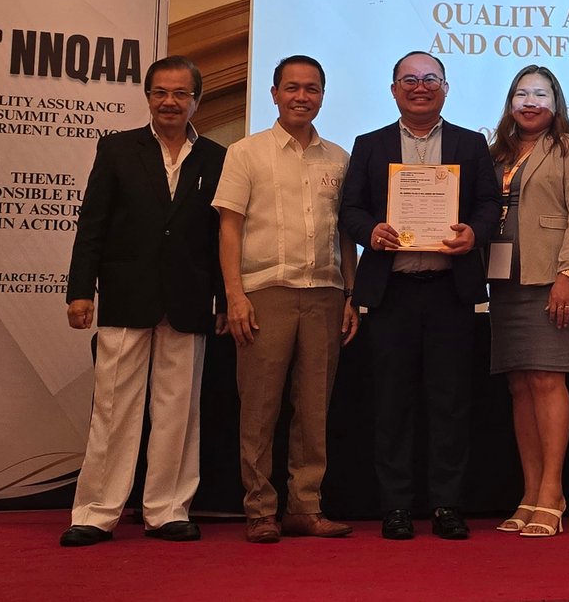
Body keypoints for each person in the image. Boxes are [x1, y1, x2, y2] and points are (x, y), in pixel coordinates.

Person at [60, 56, 226, 547]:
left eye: (180, 94)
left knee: (178, 411)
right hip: (126, 294)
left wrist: (222, 299)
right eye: (160, 92)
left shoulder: (217, 157)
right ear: (148, 96)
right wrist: (79, 291)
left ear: (197, 100)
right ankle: (95, 513)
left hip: (189, 300)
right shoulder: (116, 149)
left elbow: (220, 237)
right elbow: (91, 225)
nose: (169, 102)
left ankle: (168, 509)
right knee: (113, 408)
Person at [338, 50, 498, 541]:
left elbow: (490, 203)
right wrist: (371, 231)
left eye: (430, 78)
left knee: (450, 403)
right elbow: (350, 209)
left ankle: (447, 505)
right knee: (392, 404)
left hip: (451, 293)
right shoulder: (370, 145)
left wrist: (475, 232)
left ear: (445, 88)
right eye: (409, 79)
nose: (420, 87)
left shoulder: (471, 143)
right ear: (394, 90)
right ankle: (396, 507)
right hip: (393, 295)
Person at [214, 54, 359, 544]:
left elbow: (345, 234)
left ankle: (305, 507)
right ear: (274, 94)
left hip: (325, 293)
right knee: (259, 408)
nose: (302, 97)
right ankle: (260, 510)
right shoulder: (245, 153)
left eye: (312, 88)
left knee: (314, 408)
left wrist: (351, 294)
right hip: (265, 293)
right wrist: (234, 295)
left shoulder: (339, 159)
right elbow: (229, 228)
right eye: (292, 88)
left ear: (322, 96)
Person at [484, 65, 569, 539]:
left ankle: (553, 494)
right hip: (505, 281)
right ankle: (529, 493)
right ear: (510, 102)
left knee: (548, 379)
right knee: (520, 385)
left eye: (540, 94)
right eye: (521, 94)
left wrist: (568, 274)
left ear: (556, 102)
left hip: (553, 277)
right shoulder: (497, 152)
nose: (530, 102)